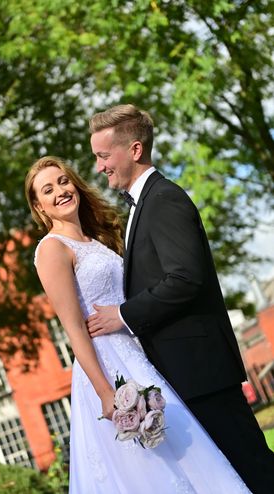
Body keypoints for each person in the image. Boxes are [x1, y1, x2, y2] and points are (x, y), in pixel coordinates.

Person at [25, 155, 251, 493]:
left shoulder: (96, 241)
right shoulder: (52, 250)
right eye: (48, 189)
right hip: (107, 366)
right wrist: (106, 394)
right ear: (40, 207)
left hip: (139, 355)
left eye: (63, 181)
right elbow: (74, 329)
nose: (60, 191)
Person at [87, 104, 274, 494]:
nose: (100, 167)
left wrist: (123, 314)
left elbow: (186, 279)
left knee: (255, 471)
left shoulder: (164, 200)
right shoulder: (144, 205)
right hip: (185, 375)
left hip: (201, 372)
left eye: (104, 156)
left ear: (135, 150)